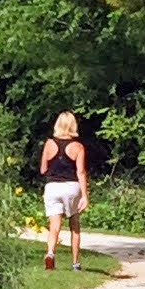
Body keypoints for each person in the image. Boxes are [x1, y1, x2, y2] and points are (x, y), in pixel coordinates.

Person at [36, 111, 91, 271]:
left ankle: (51, 253)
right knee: (74, 225)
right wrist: (85, 196)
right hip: (71, 187)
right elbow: (80, 172)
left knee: (54, 225)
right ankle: (75, 263)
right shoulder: (78, 147)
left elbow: (43, 169)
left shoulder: (49, 144)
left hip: (52, 186)